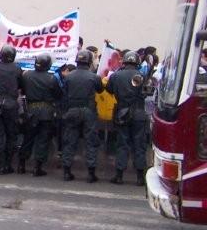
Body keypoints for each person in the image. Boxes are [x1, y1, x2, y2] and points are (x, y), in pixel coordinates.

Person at [106, 51, 148, 186]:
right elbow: (148, 92)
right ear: (137, 62)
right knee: (139, 144)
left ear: (124, 61)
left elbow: (109, 90)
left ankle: (119, 176)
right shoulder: (142, 75)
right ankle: (140, 177)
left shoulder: (116, 75)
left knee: (122, 144)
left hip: (122, 112)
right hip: (139, 112)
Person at [61, 49, 104, 182]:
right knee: (91, 142)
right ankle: (91, 173)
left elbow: (65, 92)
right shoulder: (94, 77)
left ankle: (67, 172)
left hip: (72, 110)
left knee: (70, 141)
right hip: (88, 111)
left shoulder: (69, 76)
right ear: (89, 61)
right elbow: (100, 90)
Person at [18, 53, 62, 177]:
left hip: (31, 110)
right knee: (43, 140)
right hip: (46, 112)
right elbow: (58, 94)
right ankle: (37, 167)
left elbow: (22, 90)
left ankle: (21, 164)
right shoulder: (52, 78)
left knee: (28, 138)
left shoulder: (27, 76)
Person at [0, 44, 23, 175]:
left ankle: (0, 164)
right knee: (11, 135)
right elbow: (21, 85)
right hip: (11, 105)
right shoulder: (17, 69)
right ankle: (7, 163)